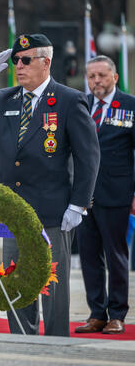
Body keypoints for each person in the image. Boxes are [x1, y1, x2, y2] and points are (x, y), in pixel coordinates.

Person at [0, 34, 100, 337]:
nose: (18, 66)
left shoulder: (69, 100)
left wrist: (79, 203)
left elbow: (89, 157)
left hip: (53, 208)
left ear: (45, 62)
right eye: (15, 61)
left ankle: (57, 343)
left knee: (52, 285)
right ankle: (22, 342)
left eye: (26, 60)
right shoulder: (5, 98)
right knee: (16, 282)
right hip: (13, 209)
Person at [75, 56, 134, 335]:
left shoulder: (130, 106)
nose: (96, 81)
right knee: (89, 257)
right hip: (83, 197)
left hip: (116, 194)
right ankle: (97, 313)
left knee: (116, 256)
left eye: (101, 75)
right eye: (91, 76)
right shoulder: (80, 105)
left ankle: (117, 313)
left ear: (114, 77)